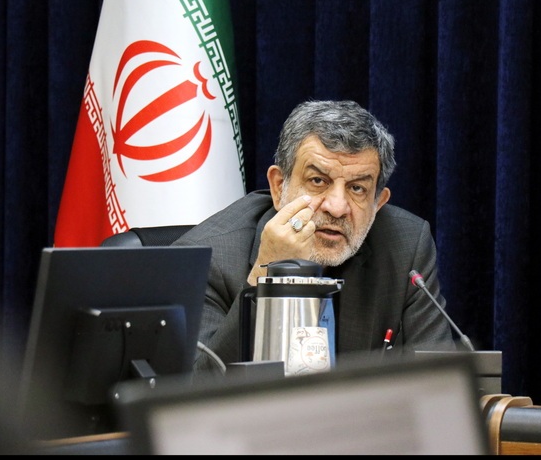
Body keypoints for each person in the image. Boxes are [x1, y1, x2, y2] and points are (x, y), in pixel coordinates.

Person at [173, 99, 455, 373]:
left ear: (378, 203)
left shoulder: (406, 247)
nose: (337, 207)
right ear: (278, 187)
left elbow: (440, 380)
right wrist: (266, 273)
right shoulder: (206, 258)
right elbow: (196, 387)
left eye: (357, 188)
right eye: (318, 181)